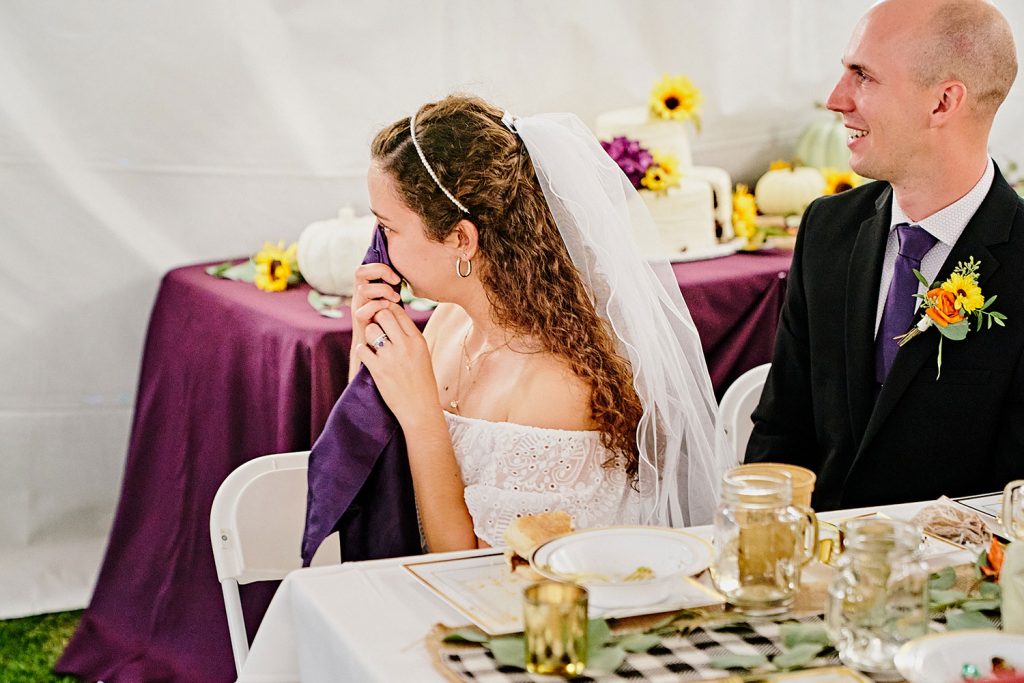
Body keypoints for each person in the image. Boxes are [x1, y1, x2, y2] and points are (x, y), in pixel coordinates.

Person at [346, 95, 723, 551]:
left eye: (388, 229)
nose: (379, 249)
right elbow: (366, 471)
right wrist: (365, 347)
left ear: (461, 239)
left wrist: (423, 415)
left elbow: (475, 572)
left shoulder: (556, 386)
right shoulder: (447, 324)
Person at [746, 0, 1024, 509]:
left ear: (943, 103)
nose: (836, 99)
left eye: (863, 76)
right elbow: (781, 430)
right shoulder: (827, 230)